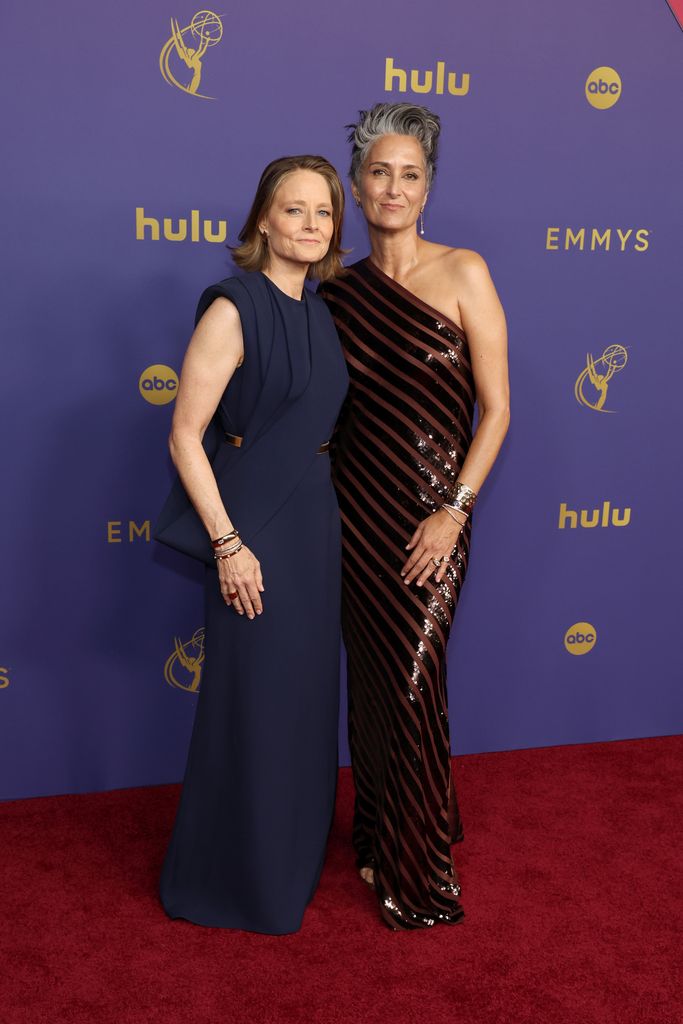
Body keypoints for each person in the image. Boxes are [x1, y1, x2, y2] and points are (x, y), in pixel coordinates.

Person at [319, 103, 510, 929]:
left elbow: (497, 411)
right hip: (354, 513)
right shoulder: (334, 293)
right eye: (378, 173)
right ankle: (377, 830)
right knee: (371, 684)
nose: (393, 187)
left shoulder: (465, 270)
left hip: (436, 515)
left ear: (427, 188)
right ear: (356, 188)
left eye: (410, 174)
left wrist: (453, 514)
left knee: (412, 680)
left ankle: (416, 861)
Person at [155, 155, 349, 934]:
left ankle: (290, 860)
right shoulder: (233, 309)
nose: (309, 225)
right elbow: (184, 436)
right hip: (252, 530)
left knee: (301, 704)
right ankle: (232, 880)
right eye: (294, 210)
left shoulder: (322, 310)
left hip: (313, 525)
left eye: (324, 213)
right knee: (254, 705)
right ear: (262, 220)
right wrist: (229, 544)